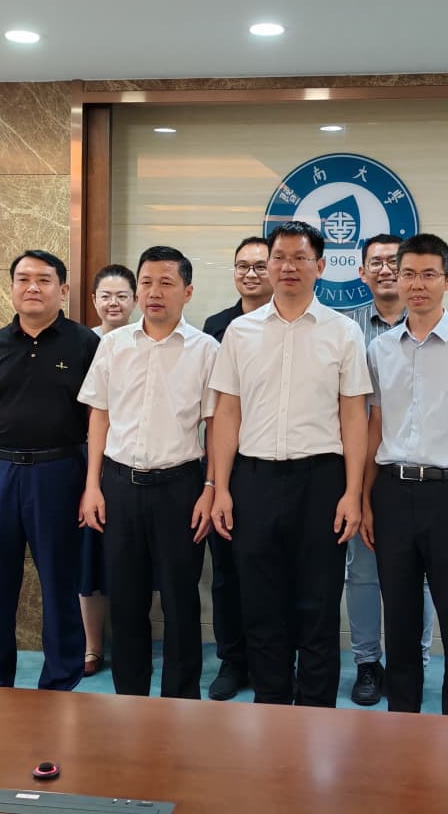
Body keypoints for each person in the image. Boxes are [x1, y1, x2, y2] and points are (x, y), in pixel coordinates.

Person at [208, 220, 370, 707]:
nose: (288, 266)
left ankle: (317, 715)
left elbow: (353, 416)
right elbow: (227, 412)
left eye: (300, 258)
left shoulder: (343, 332)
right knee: (261, 606)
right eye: (279, 257)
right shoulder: (240, 332)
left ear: (321, 265)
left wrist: (353, 493)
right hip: (253, 480)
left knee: (318, 606)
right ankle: (271, 711)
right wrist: (221, 488)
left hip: (321, 480)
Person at [361, 233, 448, 715]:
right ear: (396, 279)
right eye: (408, 274)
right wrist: (364, 499)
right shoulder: (380, 349)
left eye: (428, 275)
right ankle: (404, 720)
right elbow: (374, 426)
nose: (416, 284)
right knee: (398, 618)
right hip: (392, 493)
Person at [79, 246, 219, 698]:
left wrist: (211, 487)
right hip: (119, 485)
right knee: (126, 600)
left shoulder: (207, 350)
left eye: (166, 283)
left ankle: (181, 701)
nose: (154, 292)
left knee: (181, 600)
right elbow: (99, 416)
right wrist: (92, 486)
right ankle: (130, 701)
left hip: (181, 487)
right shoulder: (113, 345)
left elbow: (216, 426)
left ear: (187, 291)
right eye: (146, 283)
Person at [0, 249, 100, 690]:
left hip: (60, 472)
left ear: (63, 289)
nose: (32, 287)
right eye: (23, 279)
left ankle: (60, 680)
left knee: (60, 583)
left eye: (43, 279)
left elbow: (98, 417)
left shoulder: (85, 344)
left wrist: (91, 484)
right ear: (12, 288)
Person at [344, 232, 436, 706]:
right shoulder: (344, 330)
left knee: (418, 575)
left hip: (415, 470)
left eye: (392, 263)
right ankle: (366, 662)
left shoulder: (434, 325)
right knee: (361, 572)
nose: (384, 270)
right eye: (375, 262)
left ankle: (414, 660)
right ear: (361, 273)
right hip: (360, 467)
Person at [199, 235, 272, 701]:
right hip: (227, 464)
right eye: (242, 266)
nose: (251, 273)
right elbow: (215, 406)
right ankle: (233, 659)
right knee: (226, 570)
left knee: (274, 572)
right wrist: (213, 479)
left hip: (276, 465)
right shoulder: (217, 326)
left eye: (259, 266)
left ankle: (273, 661)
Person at [78, 263, 135, 676]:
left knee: (133, 557)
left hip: (133, 462)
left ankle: (134, 642)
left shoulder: (146, 340)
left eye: (122, 296)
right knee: (89, 557)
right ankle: (92, 646)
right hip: (88, 461)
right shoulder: (81, 343)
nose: (113, 303)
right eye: (106, 296)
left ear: (135, 300)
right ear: (94, 300)